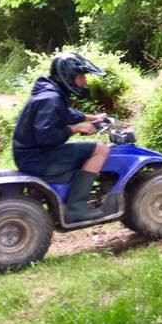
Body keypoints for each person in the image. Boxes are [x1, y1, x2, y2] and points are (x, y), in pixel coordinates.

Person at [12, 52, 110, 222]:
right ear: (68, 77)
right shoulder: (51, 99)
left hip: (30, 154)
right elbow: (46, 137)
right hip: (38, 159)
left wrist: (93, 118)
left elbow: (64, 114)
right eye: (81, 77)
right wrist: (76, 129)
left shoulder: (50, 92)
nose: (84, 81)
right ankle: (76, 209)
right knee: (101, 150)